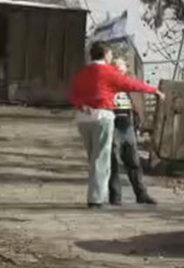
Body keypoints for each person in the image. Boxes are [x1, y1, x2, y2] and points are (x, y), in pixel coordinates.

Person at [68, 42, 163, 208]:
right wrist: (154, 90)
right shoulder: (108, 72)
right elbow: (133, 84)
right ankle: (97, 199)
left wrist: (82, 105)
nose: (111, 58)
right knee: (102, 160)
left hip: (84, 119)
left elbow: (73, 93)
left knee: (95, 159)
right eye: (110, 55)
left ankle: (99, 196)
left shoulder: (82, 73)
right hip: (103, 117)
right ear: (105, 55)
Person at [108, 55, 155, 205]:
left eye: (120, 66)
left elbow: (137, 105)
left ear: (126, 69)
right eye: (115, 66)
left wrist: (139, 122)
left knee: (134, 161)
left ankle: (141, 194)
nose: (118, 69)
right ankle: (115, 196)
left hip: (127, 124)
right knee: (113, 162)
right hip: (112, 123)